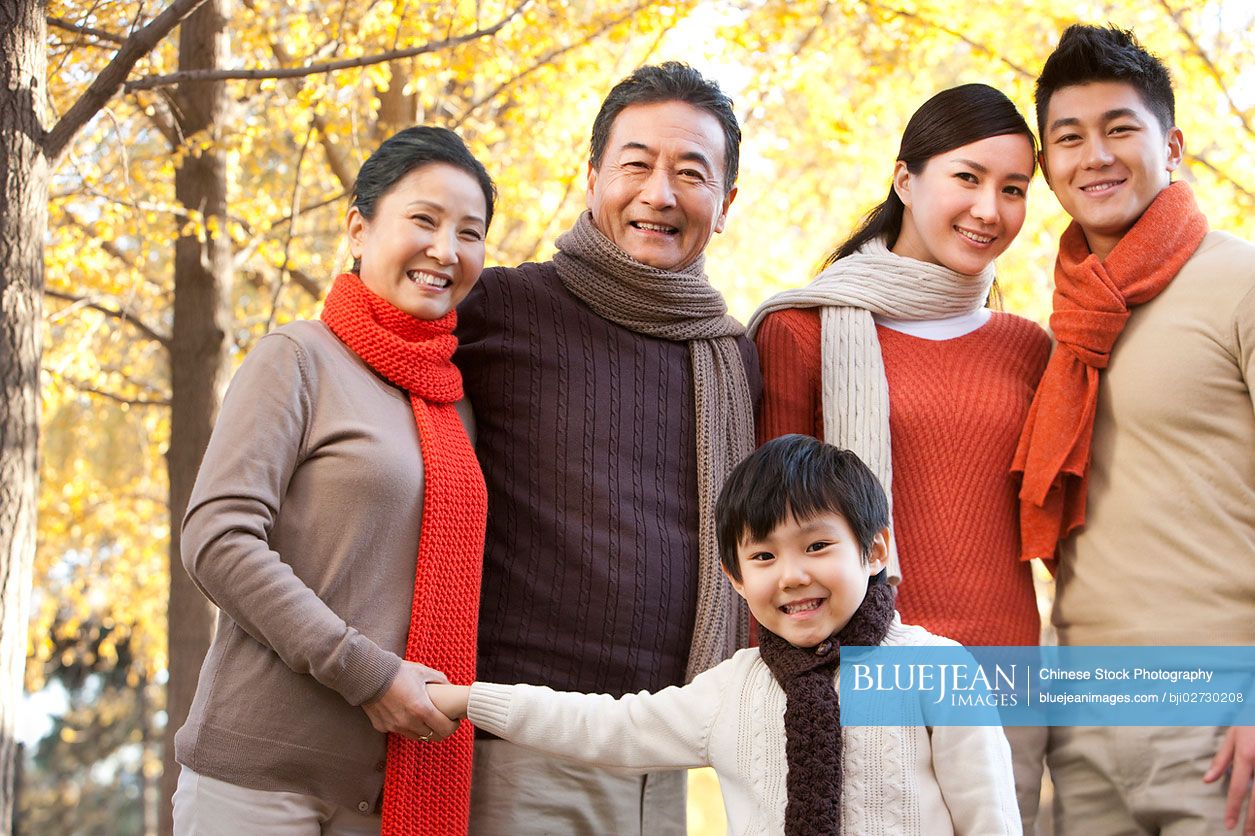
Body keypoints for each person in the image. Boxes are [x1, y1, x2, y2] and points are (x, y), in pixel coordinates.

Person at [427, 435, 1022, 835]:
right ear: (735, 579)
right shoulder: (731, 692)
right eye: (763, 557)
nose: (792, 575)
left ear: (874, 551)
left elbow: (989, 818)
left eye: (817, 546)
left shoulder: (935, 671)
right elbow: (607, 727)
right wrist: (470, 699)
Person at [452, 62, 759, 834]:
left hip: (663, 754)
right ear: (592, 178)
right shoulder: (501, 307)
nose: (659, 193)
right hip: (519, 744)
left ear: (723, 205)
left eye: (690, 173)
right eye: (636, 164)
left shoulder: (732, 356)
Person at [171, 126, 495, 835]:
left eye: (469, 233)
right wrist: (368, 674)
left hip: (389, 795)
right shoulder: (298, 358)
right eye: (424, 219)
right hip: (258, 784)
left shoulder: (456, 404)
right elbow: (217, 539)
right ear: (358, 227)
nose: (446, 250)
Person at [747, 83, 1050, 829]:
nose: (990, 209)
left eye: (1013, 189)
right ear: (905, 179)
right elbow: (763, 542)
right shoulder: (801, 330)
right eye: (967, 177)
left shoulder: (1026, 348)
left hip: (1005, 685)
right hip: (861, 685)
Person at [1015, 24, 1255, 834]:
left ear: (1173, 146)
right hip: (1080, 706)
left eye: (1120, 128)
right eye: (1068, 138)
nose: (1095, 156)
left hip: (1220, 700)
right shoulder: (1068, 325)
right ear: (1046, 167)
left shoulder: (1237, 280)